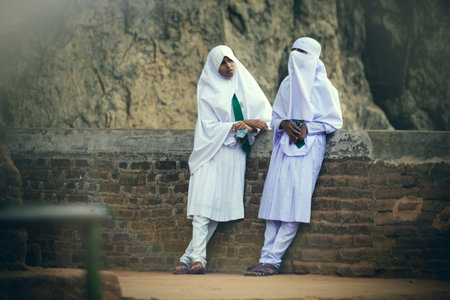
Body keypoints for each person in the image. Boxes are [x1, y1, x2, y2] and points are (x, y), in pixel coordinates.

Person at [245, 37, 343, 276]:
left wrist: (311, 128)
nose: (296, 56)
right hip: (283, 146)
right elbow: (275, 116)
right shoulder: (287, 85)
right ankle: (264, 257)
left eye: (303, 52)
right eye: (294, 51)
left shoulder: (325, 88)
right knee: (274, 201)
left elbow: (334, 122)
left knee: (296, 203)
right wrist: (283, 124)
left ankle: (273, 260)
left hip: (310, 148)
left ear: (314, 57)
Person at [174, 45, 272, 275]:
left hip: (233, 153)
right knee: (201, 206)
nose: (228, 66)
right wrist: (243, 122)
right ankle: (199, 258)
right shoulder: (207, 90)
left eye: (231, 61)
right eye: (223, 62)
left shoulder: (244, 84)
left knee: (216, 212)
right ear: (214, 66)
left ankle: (188, 258)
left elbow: (265, 118)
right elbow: (209, 126)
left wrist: (250, 125)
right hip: (211, 150)